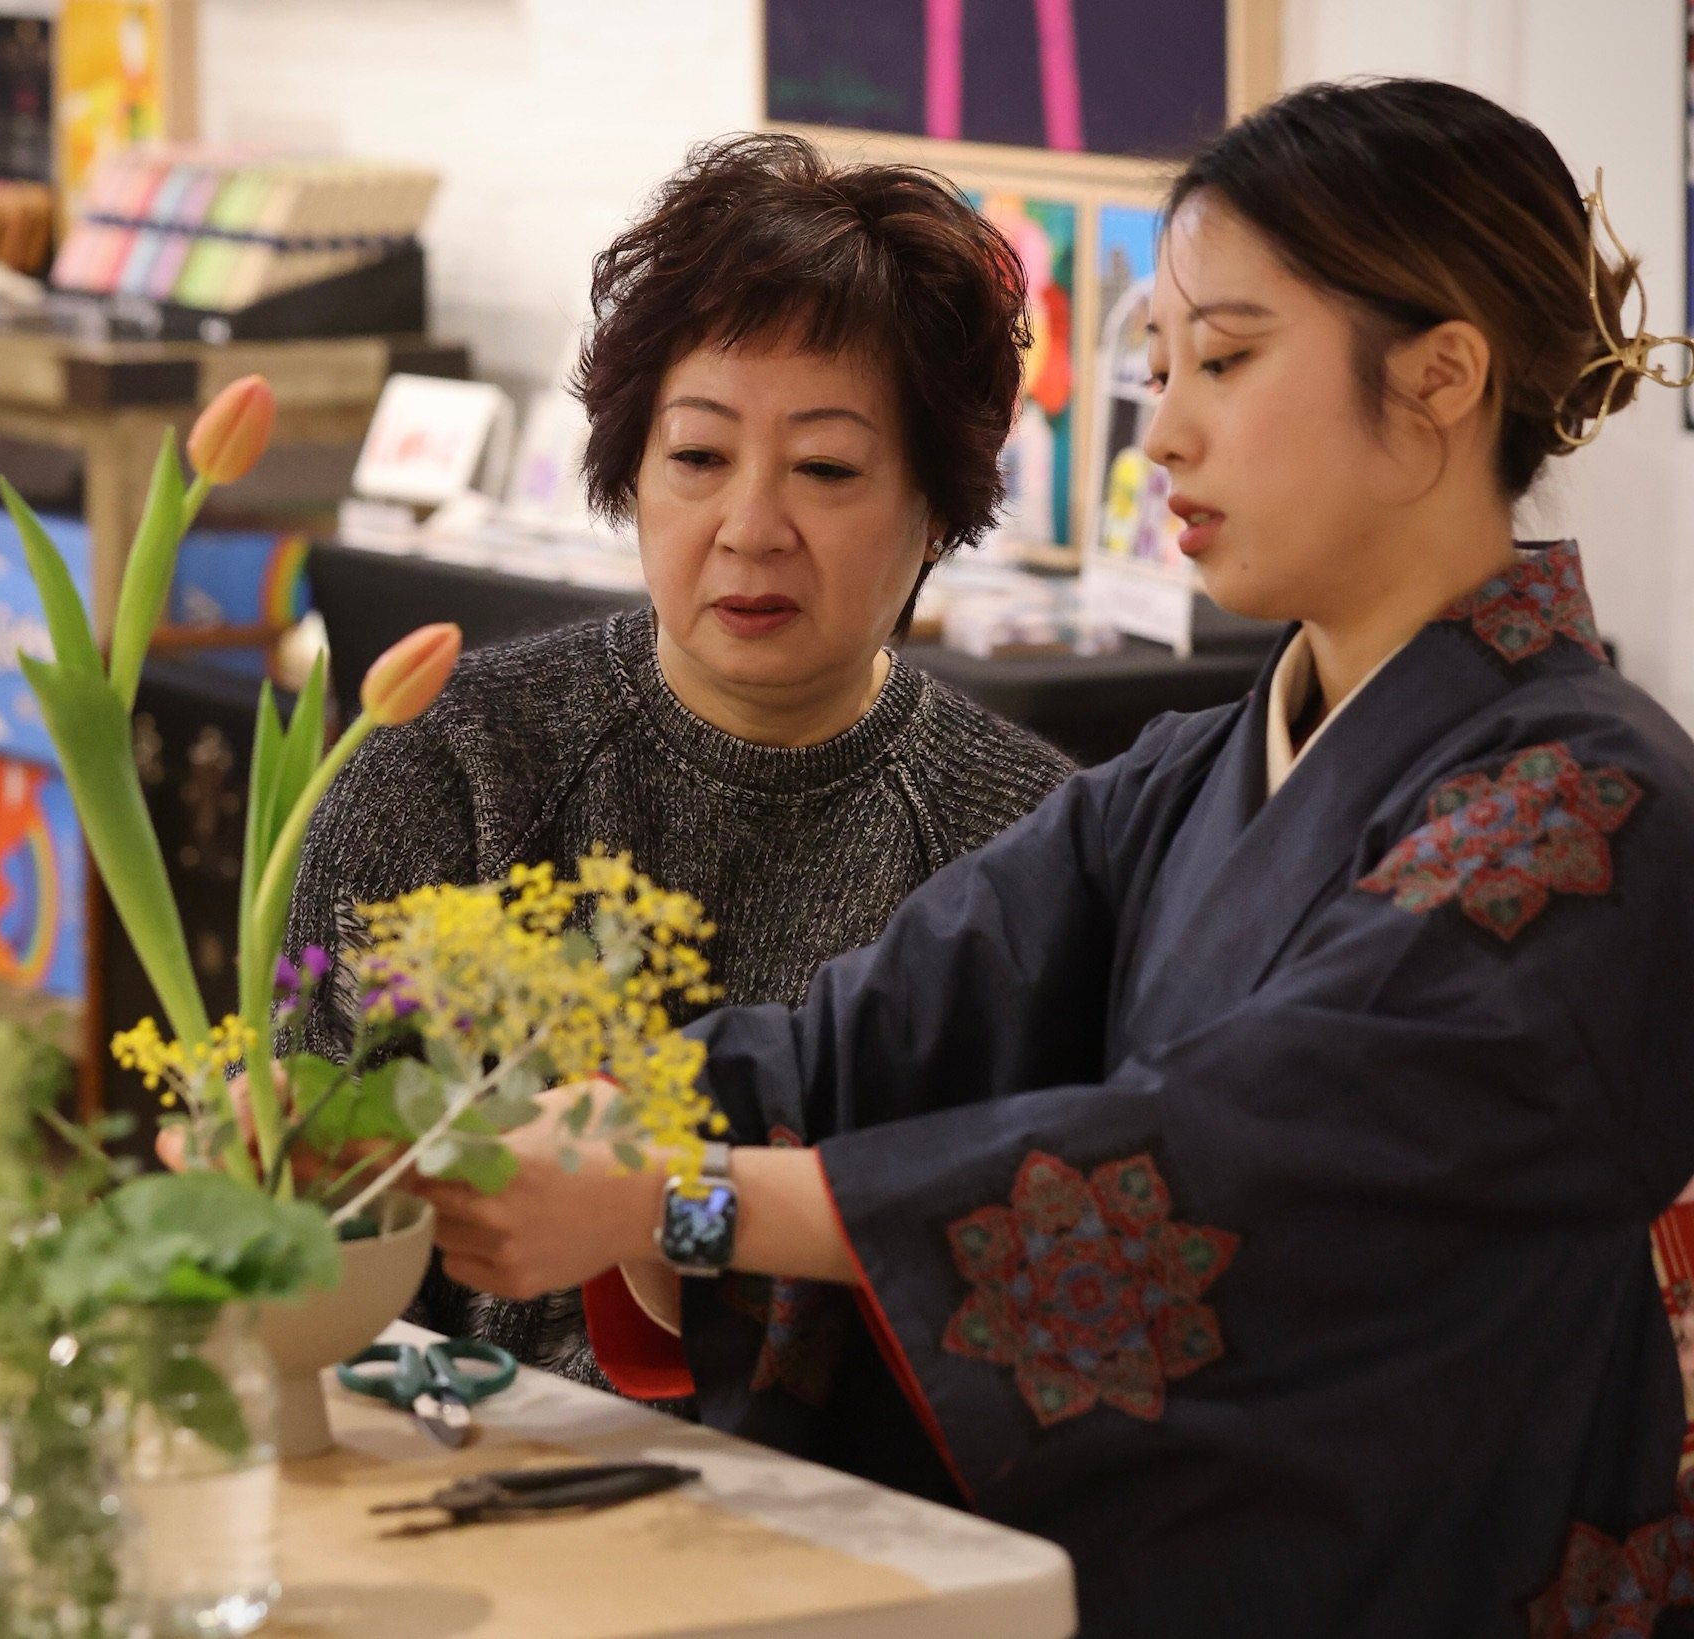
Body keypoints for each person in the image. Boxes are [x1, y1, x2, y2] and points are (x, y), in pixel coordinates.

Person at [407, 80, 1694, 1636]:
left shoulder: (1589, 802)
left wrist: (672, 1196)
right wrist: (466, 1141)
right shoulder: (1184, 780)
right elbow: (854, 1052)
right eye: (1165, 366)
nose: (1171, 429)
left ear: (1438, 382)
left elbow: (1212, 1171)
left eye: (1226, 358)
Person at [281, 134, 1076, 1389]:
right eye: (698, 457)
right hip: (459, 1453)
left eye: (824, 469)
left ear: (935, 506)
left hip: (852, 1507)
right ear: (629, 472)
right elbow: (316, 1207)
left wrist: (664, 1216)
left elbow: (994, 1266)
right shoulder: (456, 759)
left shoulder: (1026, 837)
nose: (750, 528)